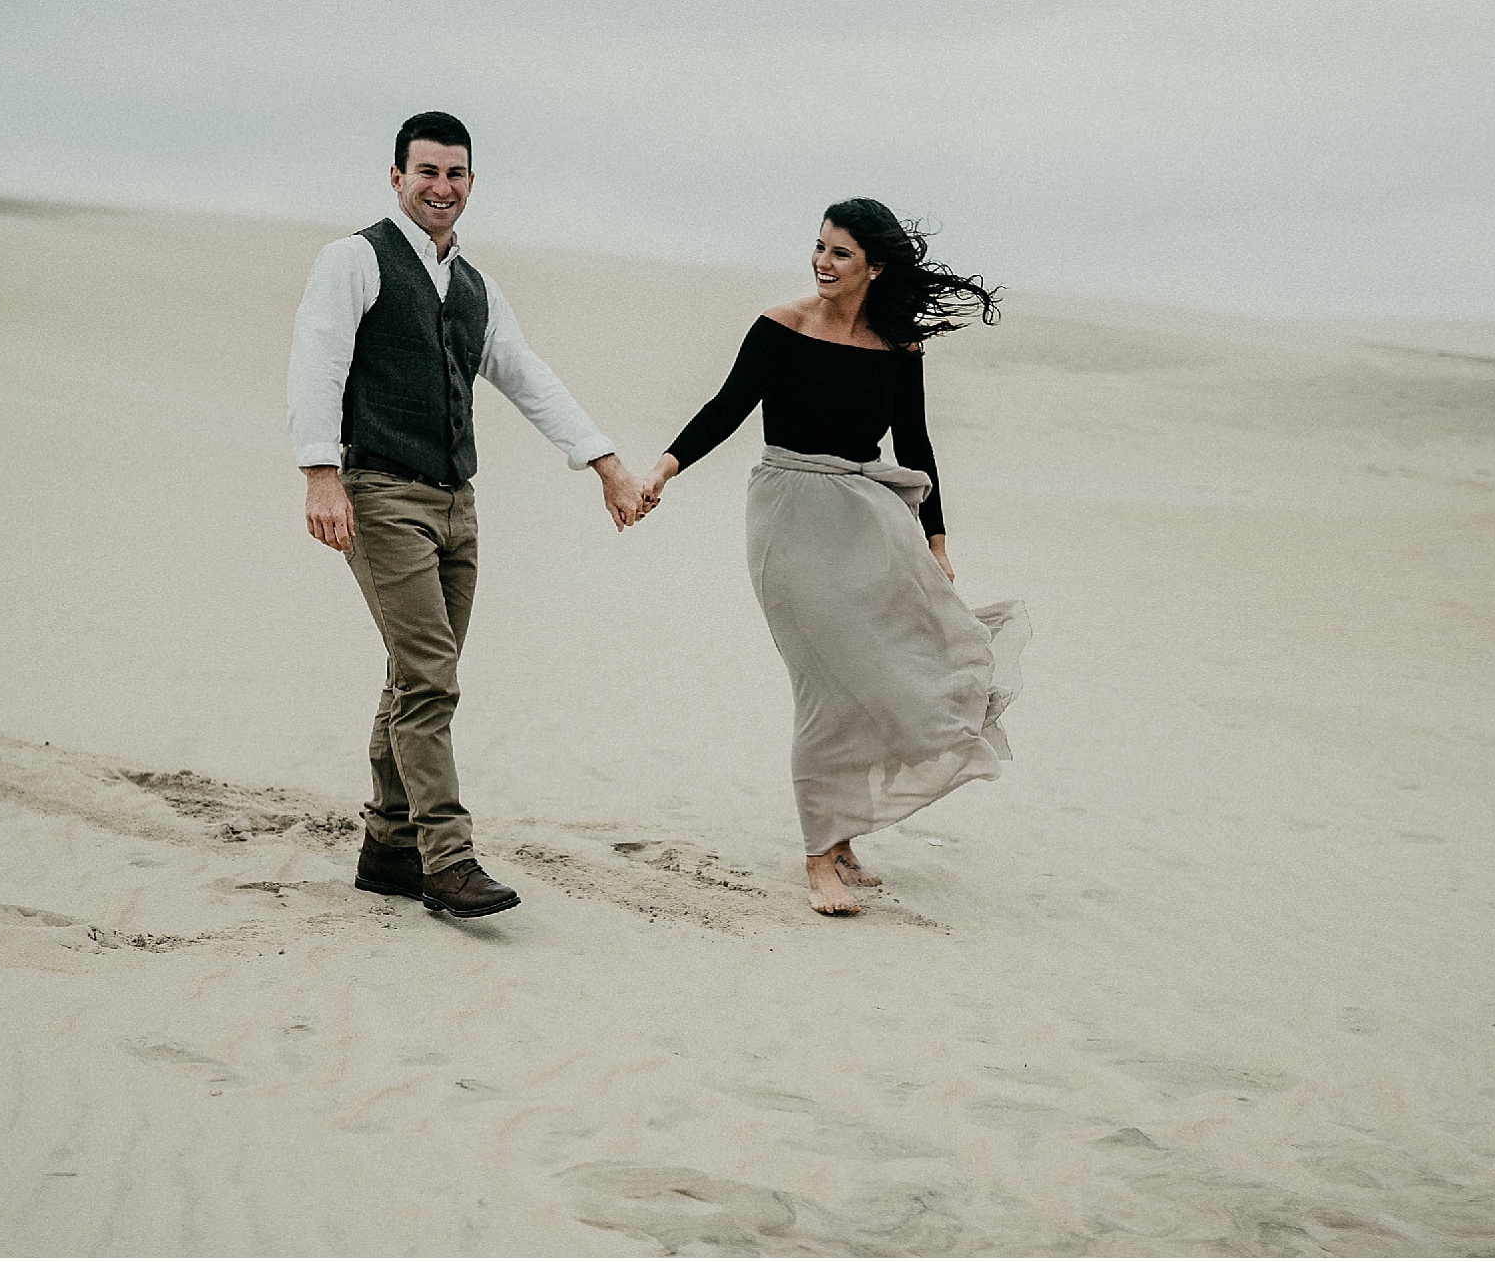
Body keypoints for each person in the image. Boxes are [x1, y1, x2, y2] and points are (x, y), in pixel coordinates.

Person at [287, 111, 646, 920]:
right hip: (379, 493)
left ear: (471, 183)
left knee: (415, 678)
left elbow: (526, 375)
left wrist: (606, 464)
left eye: (455, 174)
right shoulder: (355, 259)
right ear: (395, 177)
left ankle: (387, 846)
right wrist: (320, 475)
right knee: (430, 678)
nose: (441, 188)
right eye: (426, 172)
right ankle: (445, 857)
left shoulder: (474, 285)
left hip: (457, 505)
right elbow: (318, 358)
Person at [639, 198, 1027, 917]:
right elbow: (726, 406)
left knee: (879, 675)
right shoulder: (781, 328)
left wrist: (937, 540)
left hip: (869, 517)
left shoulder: (898, 347)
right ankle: (818, 853)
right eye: (818, 246)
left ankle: (843, 839)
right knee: (824, 685)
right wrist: (664, 468)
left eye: (840, 252)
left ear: (874, 268)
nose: (821, 260)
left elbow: (915, 444)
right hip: (789, 514)